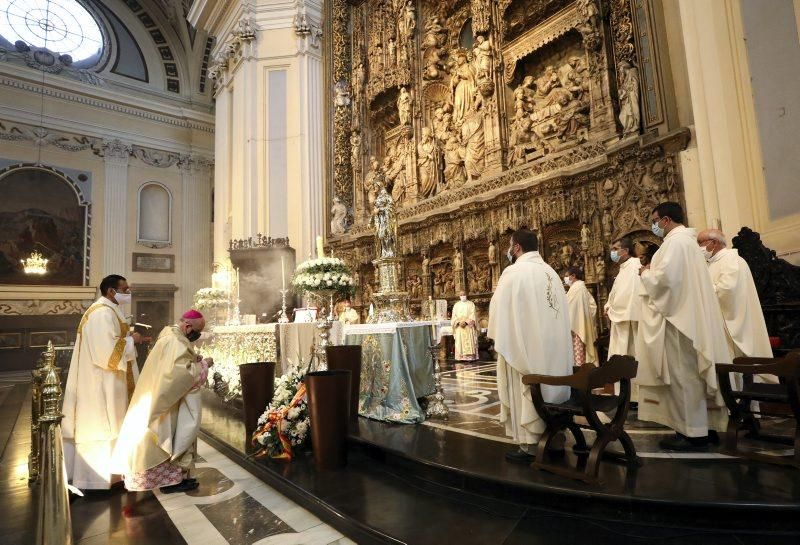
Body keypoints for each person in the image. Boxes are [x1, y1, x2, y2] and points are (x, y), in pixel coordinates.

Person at [635, 202, 731, 451]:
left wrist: (645, 273)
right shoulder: (688, 243)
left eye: (655, 220)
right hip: (690, 316)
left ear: (666, 220)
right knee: (693, 376)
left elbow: (666, 281)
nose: (654, 225)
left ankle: (692, 433)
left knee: (683, 376)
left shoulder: (675, 243)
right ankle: (706, 427)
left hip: (679, 322)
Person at [488, 228, 573, 463]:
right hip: (554, 350)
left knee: (528, 385)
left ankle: (530, 445)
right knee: (552, 387)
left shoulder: (513, 273)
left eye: (509, 245)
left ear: (516, 248)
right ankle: (554, 438)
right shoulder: (551, 273)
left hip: (525, 350)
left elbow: (498, 313)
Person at [111, 310, 212, 493]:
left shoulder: (170, 334)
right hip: (165, 401)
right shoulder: (175, 341)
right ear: (187, 326)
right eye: (196, 331)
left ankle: (173, 479)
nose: (196, 335)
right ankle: (169, 482)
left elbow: (175, 365)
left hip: (158, 393)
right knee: (166, 436)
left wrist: (193, 359)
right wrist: (203, 365)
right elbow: (179, 375)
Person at [62, 274, 143, 490]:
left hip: (109, 380)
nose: (128, 293)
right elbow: (106, 353)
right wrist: (131, 340)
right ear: (111, 291)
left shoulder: (108, 310)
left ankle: (114, 474)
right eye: (125, 289)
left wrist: (130, 340)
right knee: (102, 425)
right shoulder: (101, 313)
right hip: (100, 383)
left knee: (112, 424)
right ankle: (97, 479)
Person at [697, 229, 774, 362]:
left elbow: (727, 290)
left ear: (714, 242)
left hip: (732, 320)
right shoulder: (712, 262)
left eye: (700, 243)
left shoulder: (731, 260)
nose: (698, 247)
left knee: (732, 360)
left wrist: (702, 289)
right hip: (716, 319)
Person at [605, 237, 641, 359]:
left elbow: (629, 295)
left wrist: (612, 309)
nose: (612, 253)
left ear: (625, 250)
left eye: (615, 249)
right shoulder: (623, 268)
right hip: (620, 321)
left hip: (630, 321)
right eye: (611, 250)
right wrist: (608, 305)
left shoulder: (635, 265)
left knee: (631, 355)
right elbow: (616, 292)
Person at [564, 267, 598, 365]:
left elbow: (568, 307)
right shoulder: (581, 287)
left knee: (578, 356)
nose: (565, 279)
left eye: (567, 276)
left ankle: (580, 375)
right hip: (581, 325)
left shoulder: (576, 288)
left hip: (576, 329)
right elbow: (592, 306)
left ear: (573, 276)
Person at [451, 291, 479, 361]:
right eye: (461, 295)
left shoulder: (471, 304)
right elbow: (454, 316)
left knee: (469, 341)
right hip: (459, 327)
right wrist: (458, 322)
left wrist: (466, 322)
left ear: (466, 295)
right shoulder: (456, 305)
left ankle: (470, 357)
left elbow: (473, 315)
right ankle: (461, 357)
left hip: (468, 326)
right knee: (460, 342)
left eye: (464, 294)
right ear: (459, 296)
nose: (462, 296)